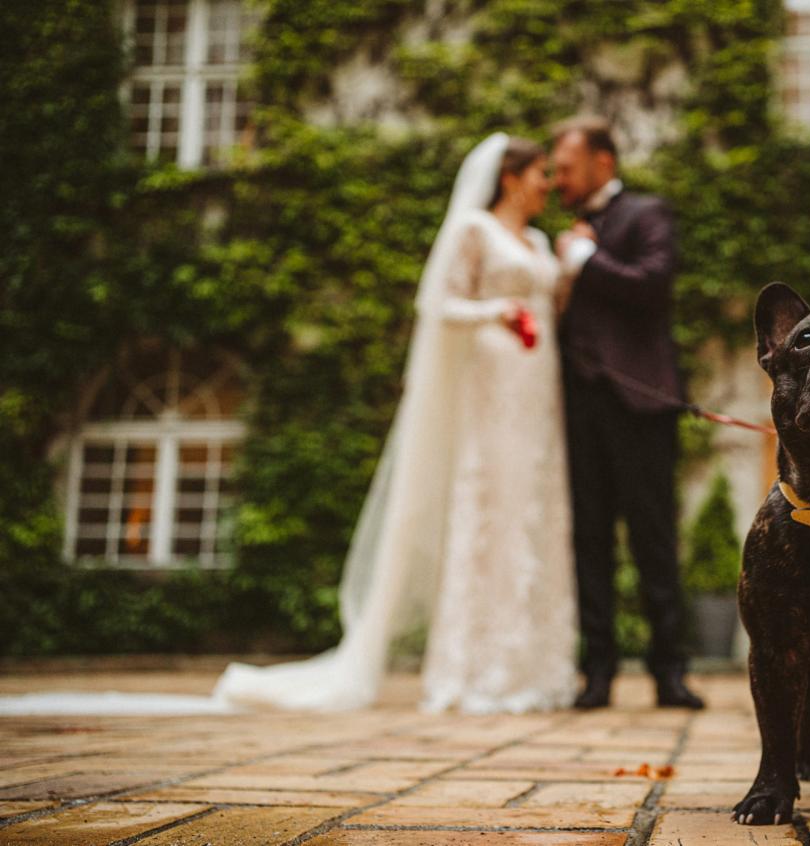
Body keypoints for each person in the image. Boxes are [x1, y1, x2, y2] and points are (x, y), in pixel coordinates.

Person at [213, 132, 579, 713]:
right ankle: (472, 671)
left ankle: (533, 668)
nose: (549, 187)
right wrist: (496, 310)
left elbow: (553, 305)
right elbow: (439, 305)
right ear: (510, 178)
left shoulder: (537, 239)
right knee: (486, 511)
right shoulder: (472, 231)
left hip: (537, 388)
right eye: (541, 175)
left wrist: (571, 267)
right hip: (490, 381)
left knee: (531, 512)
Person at [552, 117, 704, 710]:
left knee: (654, 539)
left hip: (641, 404)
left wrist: (587, 261)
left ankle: (669, 670)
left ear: (603, 163)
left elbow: (653, 284)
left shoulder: (647, 213)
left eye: (567, 166)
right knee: (589, 539)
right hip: (579, 404)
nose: (558, 177)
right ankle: (597, 672)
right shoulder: (566, 232)